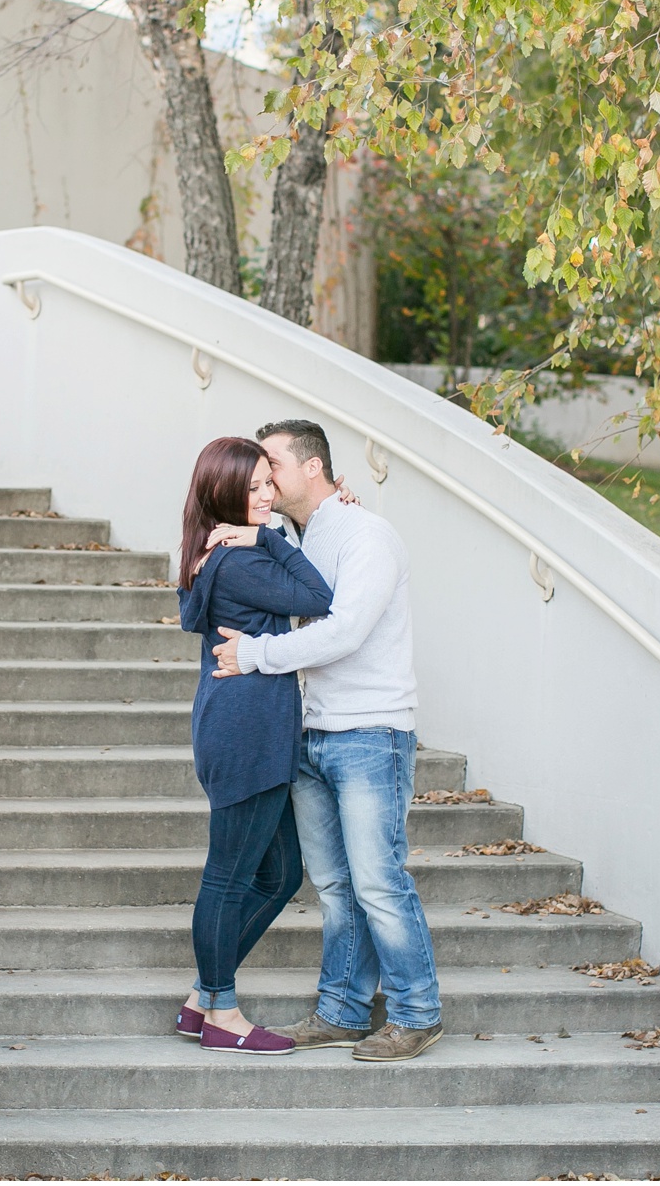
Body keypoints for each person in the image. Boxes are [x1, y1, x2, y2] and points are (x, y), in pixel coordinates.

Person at [204, 419, 443, 1063]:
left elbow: (343, 632)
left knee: (378, 882)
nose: (264, 476)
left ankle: (417, 1013)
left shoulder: (368, 536)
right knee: (335, 887)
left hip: (370, 733)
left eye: (272, 464)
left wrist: (254, 654)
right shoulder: (288, 536)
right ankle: (342, 1010)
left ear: (313, 469)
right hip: (308, 734)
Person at [174, 436, 334, 1055]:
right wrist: (265, 538)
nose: (266, 497)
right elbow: (320, 599)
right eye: (253, 489)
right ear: (223, 496)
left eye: (270, 483)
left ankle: (201, 999)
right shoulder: (243, 560)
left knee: (279, 873)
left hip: (243, 726)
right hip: (246, 732)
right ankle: (222, 1011)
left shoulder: (215, 554)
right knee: (229, 878)